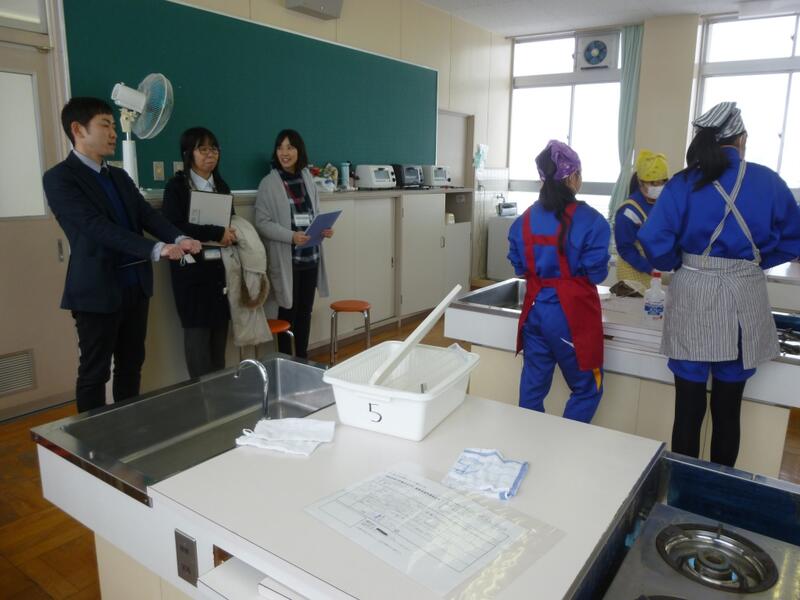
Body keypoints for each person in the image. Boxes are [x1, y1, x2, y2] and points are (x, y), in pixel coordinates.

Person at [638, 101, 800, 467]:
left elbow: (653, 238)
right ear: (742, 139)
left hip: (694, 291)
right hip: (744, 294)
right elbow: (794, 238)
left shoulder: (683, 183)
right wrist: (753, 262)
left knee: (688, 409)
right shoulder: (769, 182)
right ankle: (718, 491)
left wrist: (677, 262)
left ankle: (683, 489)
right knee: (728, 410)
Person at [43, 97, 202, 413]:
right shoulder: (60, 177)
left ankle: (128, 427)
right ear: (78, 130)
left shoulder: (118, 176)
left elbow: (146, 215)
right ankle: (91, 437)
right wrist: (155, 248)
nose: (114, 133)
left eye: (114, 125)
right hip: (95, 291)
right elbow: (95, 227)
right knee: (95, 372)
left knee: (131, 365)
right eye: (105, 125)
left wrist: (179, 237)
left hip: (134, 286)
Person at [507, 140, 611, 423]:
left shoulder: (523, 221)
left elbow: (519, 268)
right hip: (572, 317)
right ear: (573, 176)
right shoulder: (593, 221)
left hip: (535, 312)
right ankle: (566, 441)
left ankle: (530, 439)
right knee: (587, 388)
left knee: (532, 388)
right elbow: (597, 274)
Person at [162, 127, 238, 378]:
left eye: (214, 149)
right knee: (197, 341)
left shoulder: (222, 186)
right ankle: (200, 396)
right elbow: (173, 226)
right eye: (202, 149)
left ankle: (219, 394)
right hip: (191, 274)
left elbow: (230, 222)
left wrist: (231, 234)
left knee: (218, 342)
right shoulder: (176, 187)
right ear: (188, 153)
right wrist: (216, 232)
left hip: (219, 271)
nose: (210, 154)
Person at [254, 129, 332, 358]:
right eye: (280, 147)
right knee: (288, 313)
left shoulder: (307, 178)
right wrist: (291, 236)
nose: (284, 153)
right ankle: (287, 362)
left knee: (305, 313)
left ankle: (302, 359)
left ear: (299, 151)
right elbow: (262, 223)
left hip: (310, 256)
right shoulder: (269, 183)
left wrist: (324, 229)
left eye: (290, 147)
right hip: (287, 260)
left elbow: (314, 213)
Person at [614, 150, 669, 291]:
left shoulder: (661, 204)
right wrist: (649, 268)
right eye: (653, 183)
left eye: (662, 183)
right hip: (631, 272)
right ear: (640, 182)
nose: (658, 187)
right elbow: (625, 248)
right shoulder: (628, 211)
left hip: (652, 269)